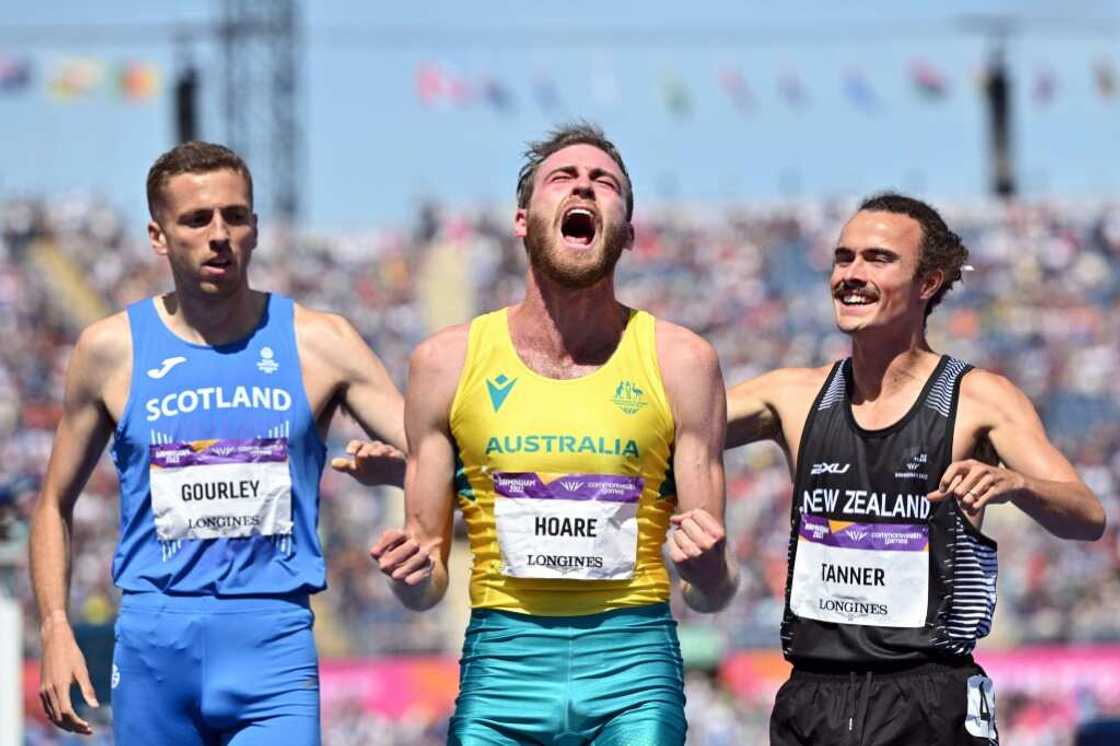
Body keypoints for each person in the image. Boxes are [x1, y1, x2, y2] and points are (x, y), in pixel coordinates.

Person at [371, 123, 739, 745]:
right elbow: (429, 583)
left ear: (627, 231)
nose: (586, 189)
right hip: (502, 671)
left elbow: (713, 594)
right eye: (564, 178)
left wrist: (707, 571)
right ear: (522, 219)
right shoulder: (445, 363)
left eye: (606, 183)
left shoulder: (683, 362)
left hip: (633, 670)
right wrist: (411, 578)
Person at [29, 141, 406, 744]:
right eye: (196, 219)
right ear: (158, 236)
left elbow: (436, 453)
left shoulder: (321, 342)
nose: (219, 234)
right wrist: (54, 627)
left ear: (254, 227)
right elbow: (52, 503)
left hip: (273, 641)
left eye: (235, 215)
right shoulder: (110, 350)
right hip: (155, 641)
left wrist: (403, 473)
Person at [725, 193, 1106, 746]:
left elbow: (1086, 515)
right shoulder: (792, 396)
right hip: (812, 697)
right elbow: (665, 426)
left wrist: (1017, 484)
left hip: (929, 698)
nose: (851, 274)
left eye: (877, 259)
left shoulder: (978, 398)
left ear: (928, 283)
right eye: (843, 257)